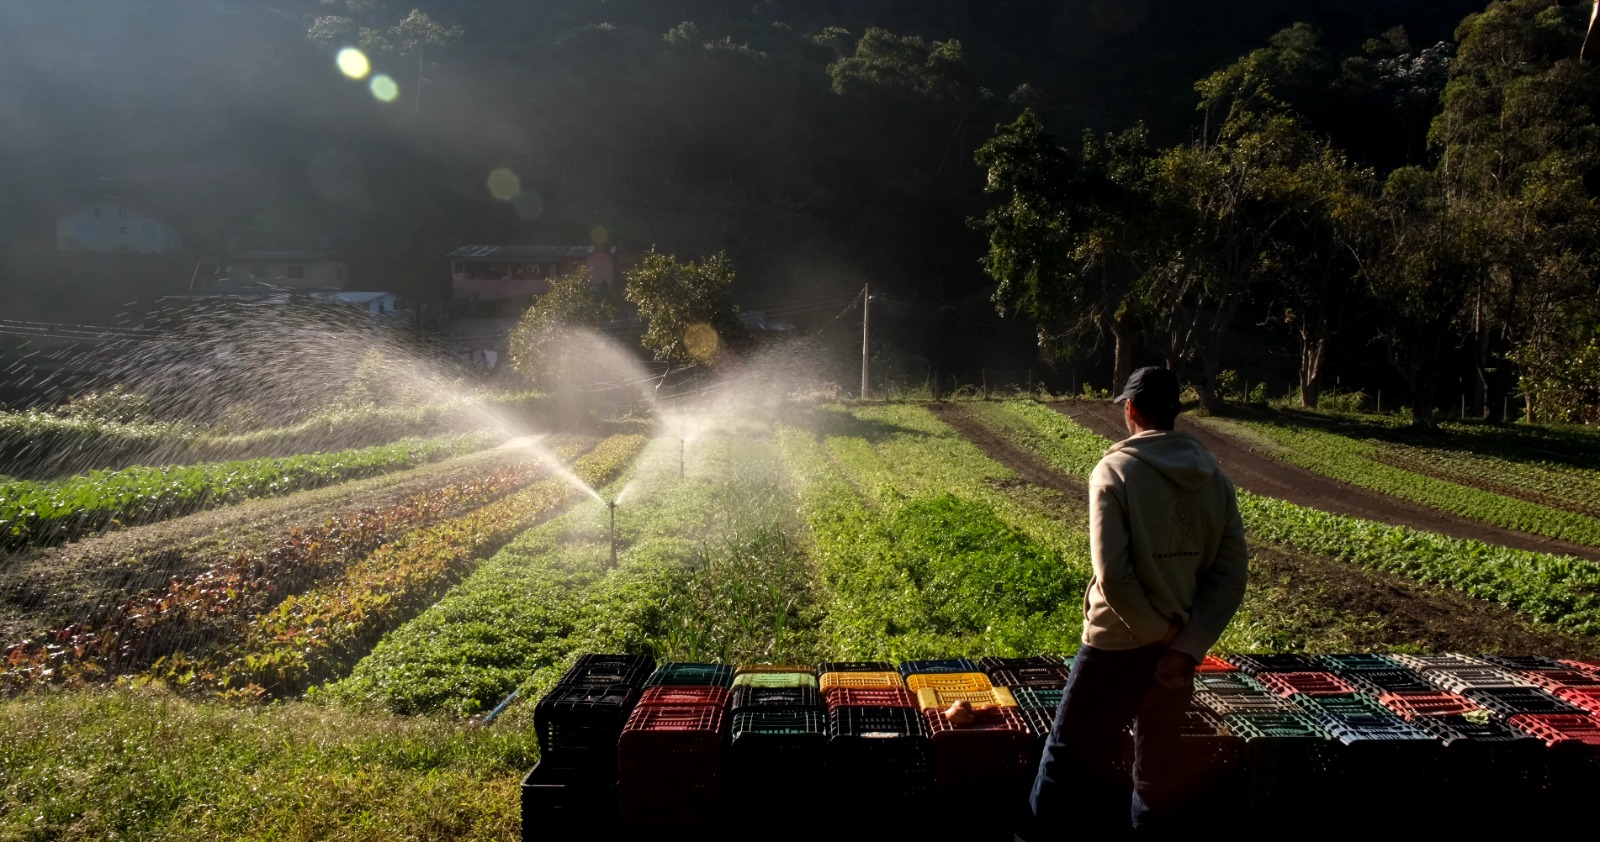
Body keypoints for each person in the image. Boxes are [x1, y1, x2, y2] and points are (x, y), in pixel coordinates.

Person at [1025, 366, 1248, 837]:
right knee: (1158, 775)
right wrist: (1184, 647)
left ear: (1130, 410)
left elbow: (1114, 578)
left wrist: (1155, 634)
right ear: (1175, 414)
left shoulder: (1114, 471)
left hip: (1115, 647)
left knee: (1065, 762)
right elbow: (1229, 577)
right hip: (1177, 655)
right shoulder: (1216, 480)